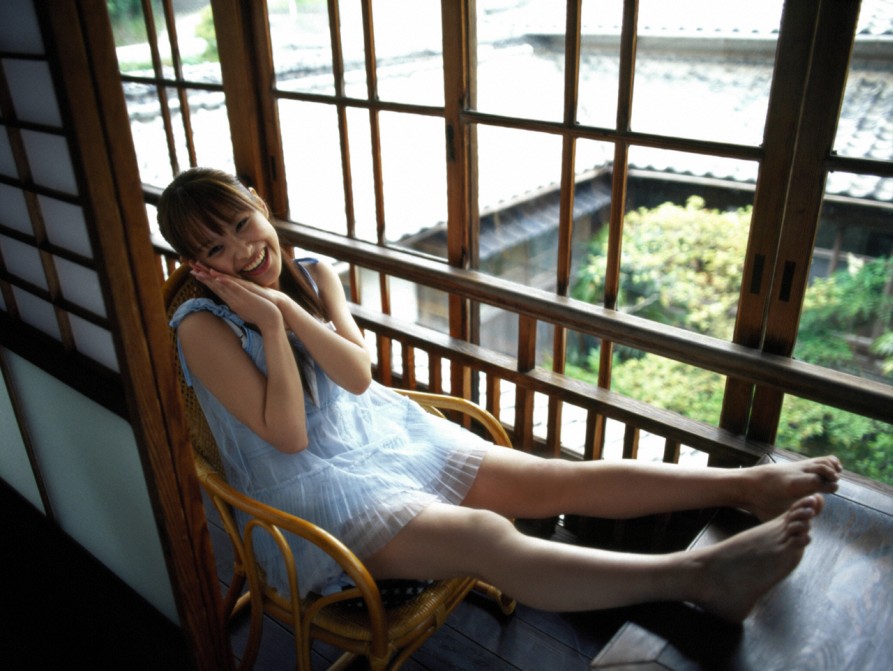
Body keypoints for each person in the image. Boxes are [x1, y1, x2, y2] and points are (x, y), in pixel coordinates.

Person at [159, 167, 842, 623]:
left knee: (553, 479)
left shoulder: (312, 274)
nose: (241, 251)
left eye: (241, 224)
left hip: (379, 435)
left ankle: (747, 486)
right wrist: (269, 326)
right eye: (215, 249)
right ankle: (697, 577)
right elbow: (288, 436)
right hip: (308, 494)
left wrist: (288, 307)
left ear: (260, 207)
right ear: (198, 266)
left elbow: (358, 377)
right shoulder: (200, 326)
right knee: (486, 535)